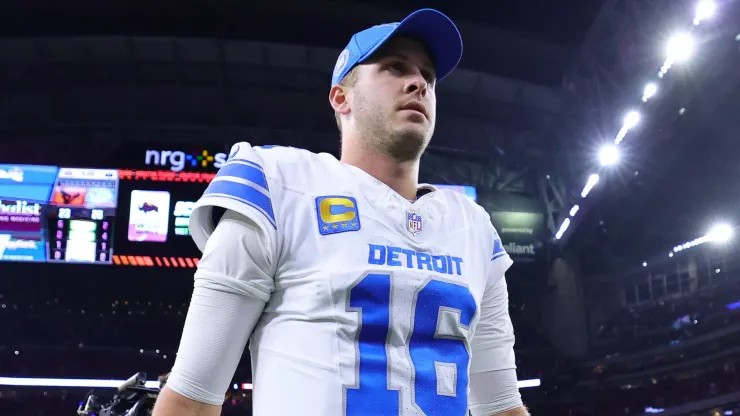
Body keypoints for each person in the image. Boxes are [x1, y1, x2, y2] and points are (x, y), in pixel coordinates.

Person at [153, 8, 527, 416]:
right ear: (341, 96)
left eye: (429, 77)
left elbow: (502, 408)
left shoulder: (473, 227)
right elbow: (190, 398)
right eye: (396, 67)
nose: (418, 82)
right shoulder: (278, 184)